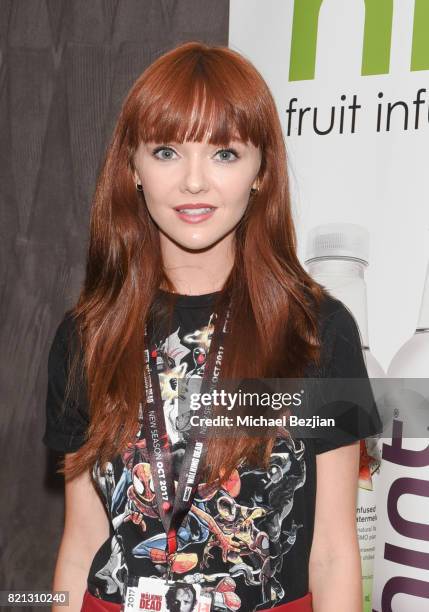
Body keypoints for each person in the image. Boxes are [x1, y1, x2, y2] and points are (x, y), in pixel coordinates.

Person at [43, 41, 382, 612]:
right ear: (132, 167)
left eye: (224, 153)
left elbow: (332, 551)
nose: (194, 182)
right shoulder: (87, 336)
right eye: (168, 150)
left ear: (260, 171)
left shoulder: (318, 332)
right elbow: (81, 541)